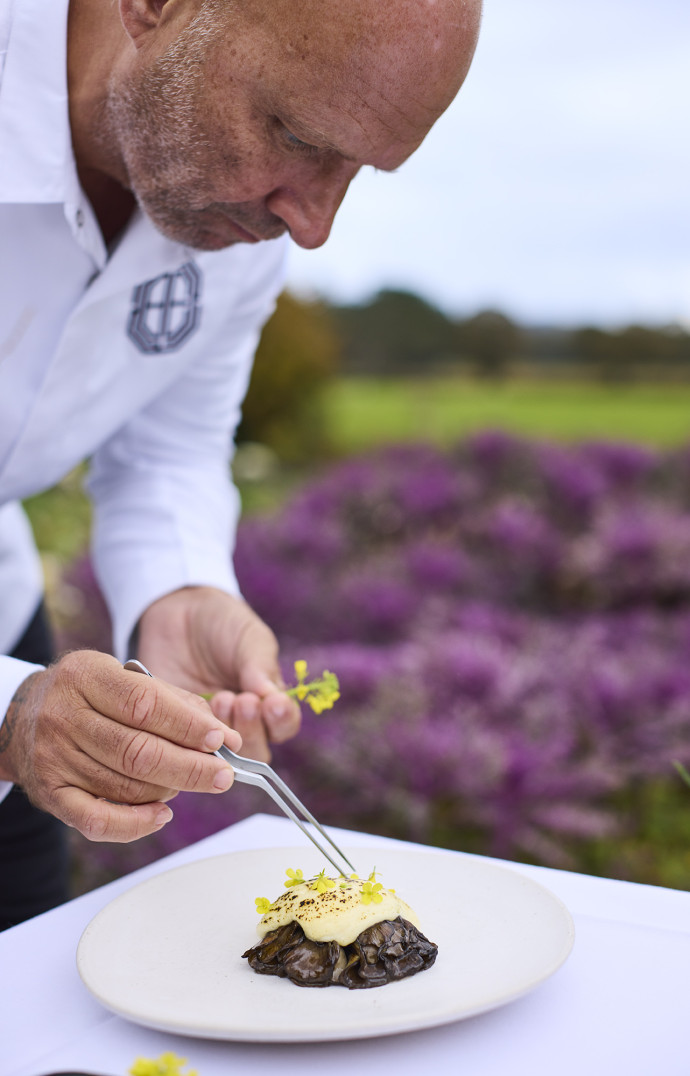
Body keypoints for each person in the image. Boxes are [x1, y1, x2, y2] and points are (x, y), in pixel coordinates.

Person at [0, 0, 483, 927]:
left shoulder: (233, 210)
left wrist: (177, 591)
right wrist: (8, 712)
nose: (312, 224)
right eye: (297, 135)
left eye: (356, 169)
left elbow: (168, 444)